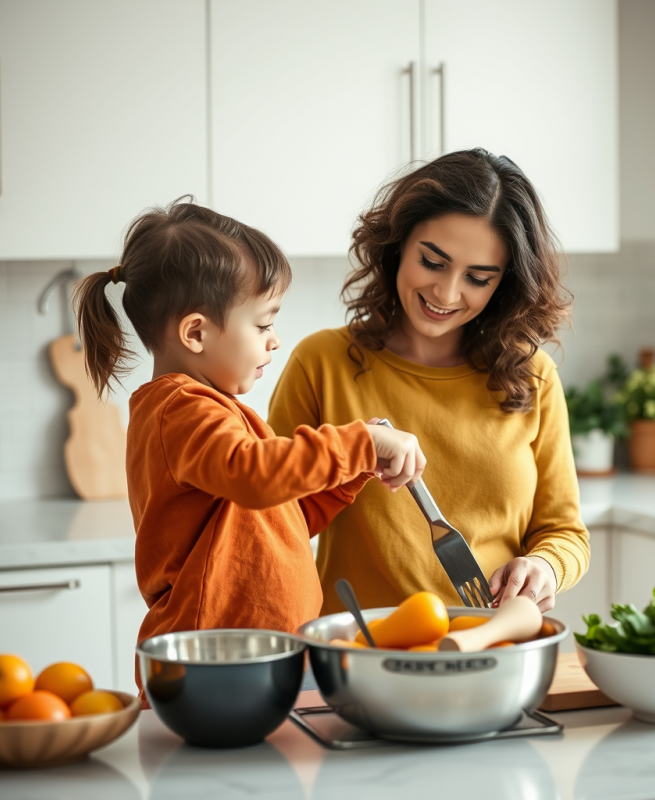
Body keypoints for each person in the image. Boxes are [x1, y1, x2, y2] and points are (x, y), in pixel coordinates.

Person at [72, 198, 426, 695]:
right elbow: (255, 475)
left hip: (256, 661)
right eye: (262, 325)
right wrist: (359, 443)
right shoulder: (182, 411)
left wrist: (350, 475)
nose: (275, 340)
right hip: (211, 665)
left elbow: (282, 518)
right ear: (196, 333)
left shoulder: (214, 412)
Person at [268, 149, 590, 615]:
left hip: (487, 645)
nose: (447, 293)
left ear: (504, 284)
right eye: (434, 262)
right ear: (398, 243)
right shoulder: (323, 363)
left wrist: (545, 566)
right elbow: (269, 516)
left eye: (478, 278)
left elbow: (565, 532)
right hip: (358, 650)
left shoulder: (532, 376)